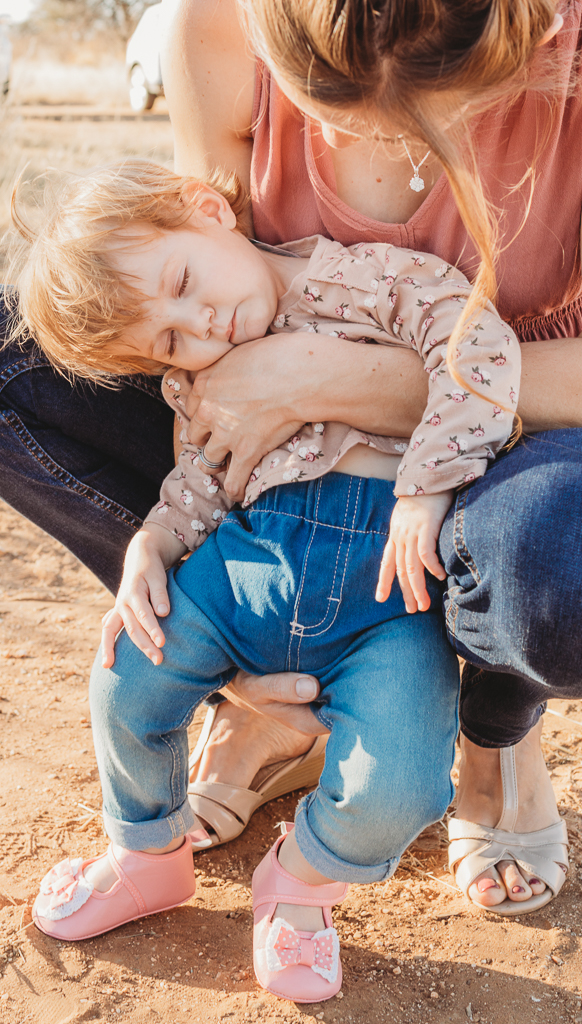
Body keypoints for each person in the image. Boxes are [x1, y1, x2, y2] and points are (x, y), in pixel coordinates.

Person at [2, 0, 582, 917]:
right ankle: (263, 677)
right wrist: (168, 543)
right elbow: (193, 309)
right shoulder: (210, 30)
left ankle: (489, 726)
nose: (405, 149)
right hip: (288, 490)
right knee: (13, 362)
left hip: (517, 429)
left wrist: (339, 378)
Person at [17, 158, 520, 999]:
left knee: (399, 783)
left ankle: (302, 882)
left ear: (205, 208)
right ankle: (147, 856)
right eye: (168, 342)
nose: (200, 325)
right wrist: (150, 542)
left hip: (388, 595)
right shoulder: (202, 374)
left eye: (182, 281)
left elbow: (477, 346)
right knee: (125, 678)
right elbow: (203, 478)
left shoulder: (368, 277)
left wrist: (431, 480)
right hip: (244, 571)